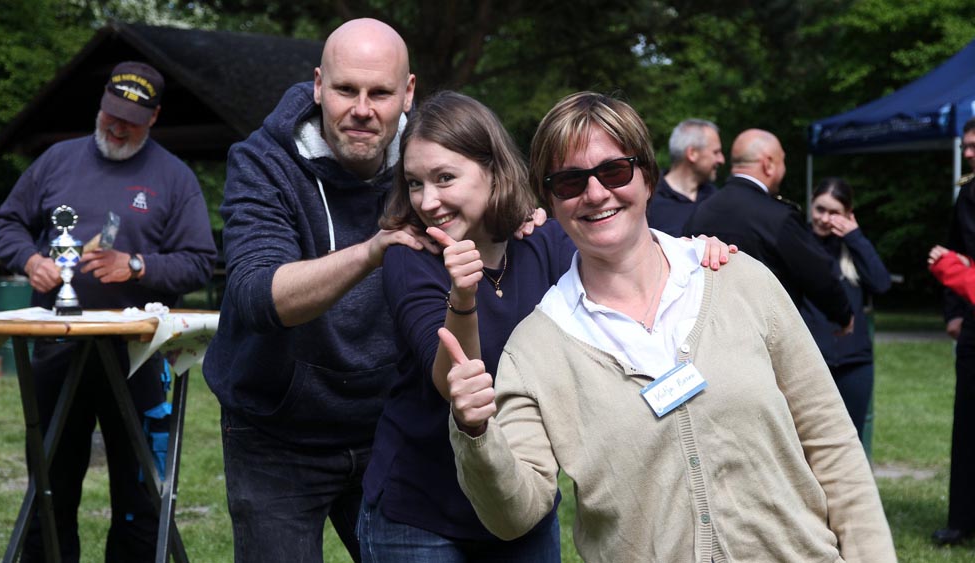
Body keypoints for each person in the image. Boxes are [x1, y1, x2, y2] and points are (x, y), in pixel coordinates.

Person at [444, 92, 897, 562]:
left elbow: (833, 446)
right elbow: (513, 514)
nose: (596, 193)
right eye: (570, 182)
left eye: (614, 170)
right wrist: (475, 433)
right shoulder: (536, 348)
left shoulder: (742, 282)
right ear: (550, 201)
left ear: (648, 177)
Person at [362, 90, 734, 562]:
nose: (428, 201)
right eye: (415, 183)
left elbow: (624, 265)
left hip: (526, 494)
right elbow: (450, 381)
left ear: (494, 171)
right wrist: (463, 296)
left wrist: (689, 253)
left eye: (445, 178)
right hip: (422, 511)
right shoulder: (410, 255)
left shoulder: (545, 242)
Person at [201, 18, 438, 563]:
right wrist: (373, 249)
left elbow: (497, 204)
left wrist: (522, 218)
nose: (362, 109)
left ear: (407, 93)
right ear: (317, 86)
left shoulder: (433, 161)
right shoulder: (263, 162)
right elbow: (257, 297)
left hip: (391, 425)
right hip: (275, 431)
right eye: (345, 89)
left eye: (380, 93)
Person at [0, 61, 217, 562]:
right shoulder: (56, 160)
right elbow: (7, 222)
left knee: (140, 493)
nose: (115, 127)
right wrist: (30, 259)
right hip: (56, 343)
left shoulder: (173, 178)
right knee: (49, 484)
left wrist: (136, 265)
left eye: (129, 121)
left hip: (138, 353)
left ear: (153, 118)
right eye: (109, 114)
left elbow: (200, 262)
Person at [684, 128, 854, 334]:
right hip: (764, 339)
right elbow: (817, 274)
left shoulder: (701, 210)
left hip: (709, 337)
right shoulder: (779, 217)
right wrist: (843, 315)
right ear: (769, 164)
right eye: (783, 161)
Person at [800, 178, 891, 441]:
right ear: (811, 206)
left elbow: (881, 284)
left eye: (834, 213)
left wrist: (855, 237)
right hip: (810, 362)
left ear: (849, 215)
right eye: (820, 209)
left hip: (854, 362)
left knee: (851, 442)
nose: (825, 219)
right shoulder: (798, 241)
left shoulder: (853, 247)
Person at [930, 116, 975, 546]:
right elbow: (954, 249)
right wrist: (953, 313)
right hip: (973, 326)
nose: (967, 152)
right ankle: (961, 518)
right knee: (967, 425)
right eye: (965, 145)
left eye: (974, 145)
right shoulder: (967, 195)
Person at [646, 119, 723, 236]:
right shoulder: (648, 199)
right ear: (692, 154)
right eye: (716, 152)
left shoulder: (716, 198)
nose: (721, 160)